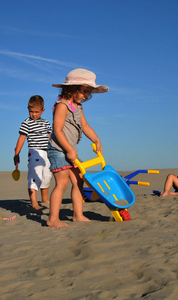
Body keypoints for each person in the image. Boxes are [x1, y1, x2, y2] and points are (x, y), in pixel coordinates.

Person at [46, 68, 108, 228]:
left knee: (79, 180)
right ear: (72, 89)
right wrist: (69, 150)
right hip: (58, 149)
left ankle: (78, 215)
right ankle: (53, 218)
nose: (85, 96)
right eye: (83, 91)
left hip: (70, 150)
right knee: (62, 182)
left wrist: (96, 139)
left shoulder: (78, 107)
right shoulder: (62, 105)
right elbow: (57, 130)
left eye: (88, 93)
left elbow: (85, 126)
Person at [14, 95, 52, 210]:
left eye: (36, 112)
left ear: (42, 111)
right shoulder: (26, 123)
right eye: (31, 111)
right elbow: (21, 138)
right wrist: (17, 153)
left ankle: (44, 199)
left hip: (47, 153)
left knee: (47, 176)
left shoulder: (46, 123)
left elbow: (49, 137)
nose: (34, 114)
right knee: (34, 176)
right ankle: (34, 203)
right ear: (28, 110)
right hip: (35, 152)